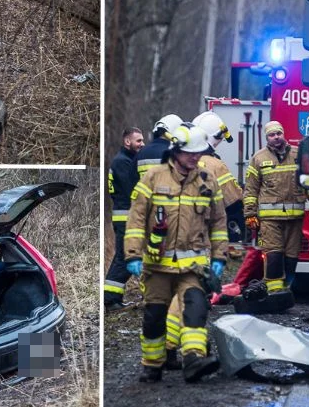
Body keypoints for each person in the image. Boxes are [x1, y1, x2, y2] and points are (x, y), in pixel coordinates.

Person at [124, 124, 228, 383]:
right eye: (190, 153)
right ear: (176, 150)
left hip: (192, 265)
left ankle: (193, 359)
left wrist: (219, 257)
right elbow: (136, 218)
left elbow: (218, 223)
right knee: (154, 318)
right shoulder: (153, 177)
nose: (195, 157)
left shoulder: (207, 180)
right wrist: (133, 255)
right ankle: (152, 366)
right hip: (157, 265)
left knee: (195, 309)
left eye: (198, 153)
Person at [159, 111, 244, 368]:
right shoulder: (214, 165)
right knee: (190, 296)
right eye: (217, 139)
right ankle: (186, 352)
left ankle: (171, 349)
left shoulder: (169, 164)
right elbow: (233, 203)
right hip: (196, 245)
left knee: (180, 296)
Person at [239, 121, 309, 295]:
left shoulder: (298, 154)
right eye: (271, 135)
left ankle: (286, 290)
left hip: (295, 218)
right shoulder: (259, 158)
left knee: (292, 257)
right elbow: (251, 189)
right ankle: (274, 293)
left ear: (283, 134)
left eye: (278, 133)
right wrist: (250, 214)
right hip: (269, 220)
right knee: (274, 255)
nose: (276, 137)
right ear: (267, 138)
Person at [104, 127, 145, 311]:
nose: (142, 144)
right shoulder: (123, 162)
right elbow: (133, 191)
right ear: (127, 142)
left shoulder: (125, 160)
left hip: (124, 216)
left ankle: (112, 297)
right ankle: (110, 299)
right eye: (139, 141)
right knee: (125, 258)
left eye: (143, 140)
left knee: (122, 257)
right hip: (126, 217)